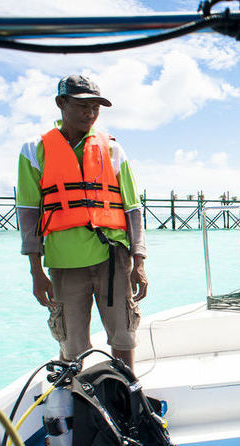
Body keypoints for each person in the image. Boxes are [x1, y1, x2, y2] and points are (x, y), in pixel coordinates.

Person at [16, 75, 147, 371]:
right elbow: (28, 213)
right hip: (64, 262)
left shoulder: (113, 149)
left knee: (123, 332)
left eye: (95, 107)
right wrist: (36, 271)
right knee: (72, 341)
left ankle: (127, 389)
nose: (90, 113)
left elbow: (133, 209)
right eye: (82, 105)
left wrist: (139, 260)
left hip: (113, 257)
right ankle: (79, 396)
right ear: (61, 103)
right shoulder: (33, 150)